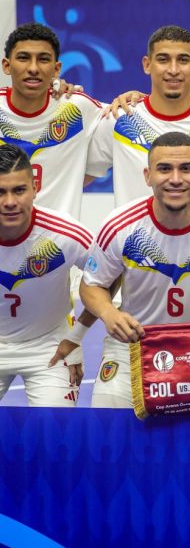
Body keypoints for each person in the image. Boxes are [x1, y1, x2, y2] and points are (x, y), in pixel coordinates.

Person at [80, 132, 190, 409]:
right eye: (164, 169)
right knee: (109, 432)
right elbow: (92, 285)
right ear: (147, 175)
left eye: (185, 169)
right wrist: (109, 313)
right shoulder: (119, 225)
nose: (175, 179)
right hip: (132, 347)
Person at [87, 25, 190, 207]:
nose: (173, 69)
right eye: (163, 60)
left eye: (183, 60)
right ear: (147, 65)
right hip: (134, 237)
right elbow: (67, 179)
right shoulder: (119, 120)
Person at [0, 144, 96, 407]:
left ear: (35, 187)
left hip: (51, 346)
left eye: (19, 190)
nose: (9, 202)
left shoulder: (68, 235)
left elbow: (107, 278)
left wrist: (75, 337)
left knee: (55, 434)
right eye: (0, 192)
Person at [1, 23, 104, 220]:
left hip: (58, 247)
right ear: (7, 65)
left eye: (43, 59)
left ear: (56, 69)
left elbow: (131, 115)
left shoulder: (77, 109)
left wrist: (131, 96)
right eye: (23, 58)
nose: (33, 68)